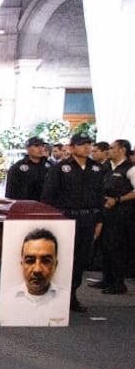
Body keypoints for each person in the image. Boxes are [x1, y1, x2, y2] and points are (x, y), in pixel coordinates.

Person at [41, 132, 105, 312]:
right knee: (62, 257)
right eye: (82, 144)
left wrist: (100, 221)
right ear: (72, 147)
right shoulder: (61, 168)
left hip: (88, 219)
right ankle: (54, 294)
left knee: (81, 259)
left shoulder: (96, 168)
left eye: (89, 144)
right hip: (66, 217)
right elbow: (48, 196)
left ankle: (72, 295)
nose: (86, 147)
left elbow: (100, 196)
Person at [1, 228, 69, 326]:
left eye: (46, 261)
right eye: (30, 261)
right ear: (22, 264)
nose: (37, 270)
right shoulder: (6, 300)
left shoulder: (65, 300)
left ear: (55, 265)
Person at [95, 138, 134, 294]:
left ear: (122, 150)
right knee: (105, 246)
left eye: (112, 148)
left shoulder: (130, 169)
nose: (108, 150)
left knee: (117, 247)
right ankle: (107, 279)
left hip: (122, 214)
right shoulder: (108, 168)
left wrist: (118, 200)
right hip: (106, 212)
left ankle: (118, 283)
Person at [5, 136, 51, 201]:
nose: (40, 149)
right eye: (36, 146)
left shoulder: (49, 166)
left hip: (44, 204)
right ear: (28, 148)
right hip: (25, 204)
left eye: (42, 146)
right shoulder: (18, 168)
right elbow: (10, 191)